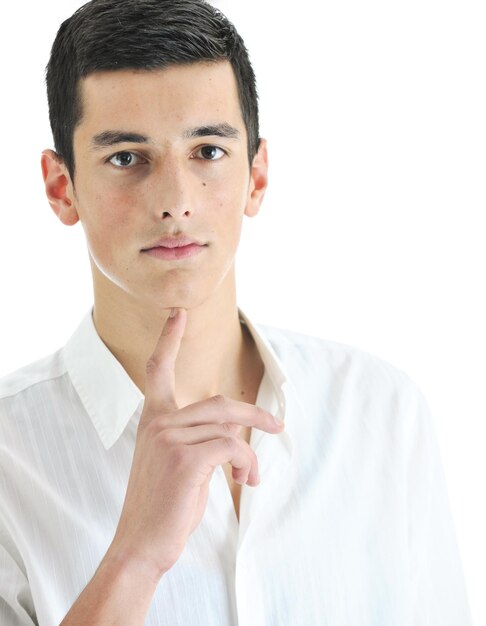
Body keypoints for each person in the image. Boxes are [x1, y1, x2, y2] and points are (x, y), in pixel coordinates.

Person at [0, 0, 472, 624]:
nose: (174, 201)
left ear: (256, 176)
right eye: (125, 158)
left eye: (207, 151)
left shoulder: (382, 413)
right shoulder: (9, 459)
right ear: (63, 188)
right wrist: (135, 557)